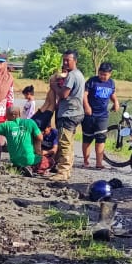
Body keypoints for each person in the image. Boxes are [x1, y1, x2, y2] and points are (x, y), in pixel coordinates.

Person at [50, 50, 85, 179]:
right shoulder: (79, 74)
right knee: (69, 142)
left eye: (68, 60)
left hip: (69, 113)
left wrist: (54, 87)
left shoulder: (72, 76)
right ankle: (67, 170)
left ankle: (63, 172)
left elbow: (64, 94)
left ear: (75, 61)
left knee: (64, 143)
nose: (65, 63)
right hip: (76, 112)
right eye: (64, 60)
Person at [81, 62, 120, 170]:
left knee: (101, 138)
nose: (102, 76)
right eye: (101, 74)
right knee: (87, 139)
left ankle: (99, 163)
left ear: (110, 74)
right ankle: (86, 161)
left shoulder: (111, 83)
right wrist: (87, 106)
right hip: (89, 115)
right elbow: (84, 95)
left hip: (102, 115)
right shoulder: (92, 81)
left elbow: (112, 94)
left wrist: (116, 102)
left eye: (105, 75)